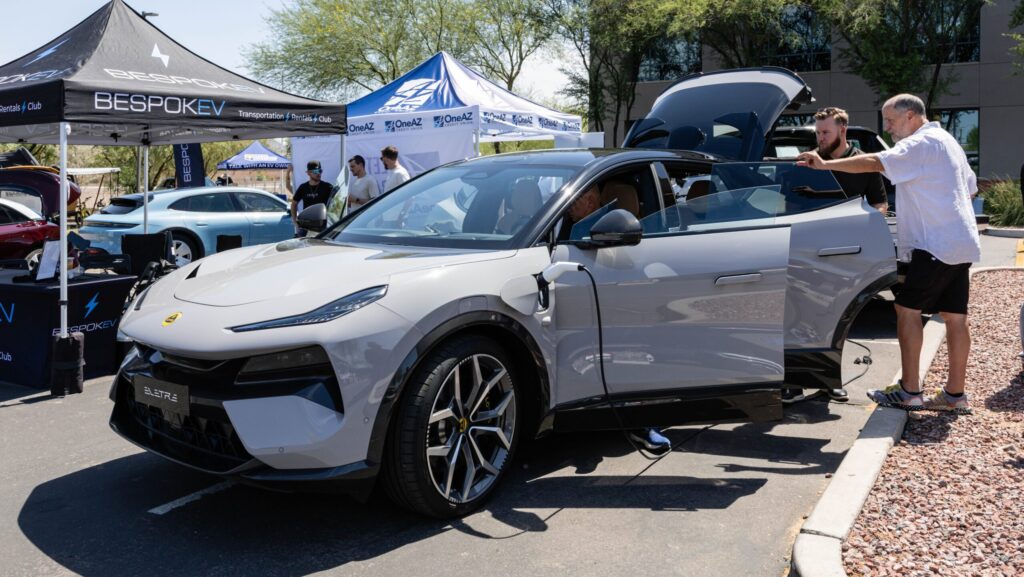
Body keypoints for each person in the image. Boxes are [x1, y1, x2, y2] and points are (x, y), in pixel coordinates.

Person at [798, 94, 981, 415]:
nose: (887, 127)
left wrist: (826, 164)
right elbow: (971, 189)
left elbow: (874, 162)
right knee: (955, 317)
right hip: (961, 241)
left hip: (934, 244)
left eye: (891, 120)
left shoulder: (919, 144)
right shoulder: (947, 140)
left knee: (906, 309)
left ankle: (910, 392)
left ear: (910, 115)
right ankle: (955, 396)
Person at [812, 107, 888, 214]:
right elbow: (793, 205)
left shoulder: (864, 163)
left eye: (825, 132)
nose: (820, 138)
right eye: (818, 133)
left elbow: (879, 204)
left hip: (853, 227)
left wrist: (866, 225)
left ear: (842, 130)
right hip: (812, 227)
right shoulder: (809, 162)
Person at [291, 160, 334, 237]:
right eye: (315, 171)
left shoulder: (327, 187)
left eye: (320, 171)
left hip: (322, 227)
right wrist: (295, 221)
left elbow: (338, 200)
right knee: (302, 247)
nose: (318, 173)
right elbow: (294, 203)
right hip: (305, 226)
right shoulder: (303, 187)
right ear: (308, 173)